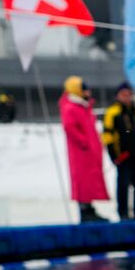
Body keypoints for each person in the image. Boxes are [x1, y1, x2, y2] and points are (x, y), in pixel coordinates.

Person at [59, 77, 111, 223]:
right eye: (85, 89)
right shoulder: (72, 107)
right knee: (83, 182)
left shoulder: (83, 107)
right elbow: (70, 127)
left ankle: (89, 208)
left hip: (88, 153)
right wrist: (85, 143)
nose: (88, 92)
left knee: (89, 181)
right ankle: (85, 210)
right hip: (81, 153)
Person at [102, 82, 135, 221]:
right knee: (123, 186)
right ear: (118, 96)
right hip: (123, 157)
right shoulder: (113, 113)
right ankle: (123, 213)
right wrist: (114, 155)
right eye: (124, 94)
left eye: (129, 94)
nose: (127, 97)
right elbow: (108, 135)